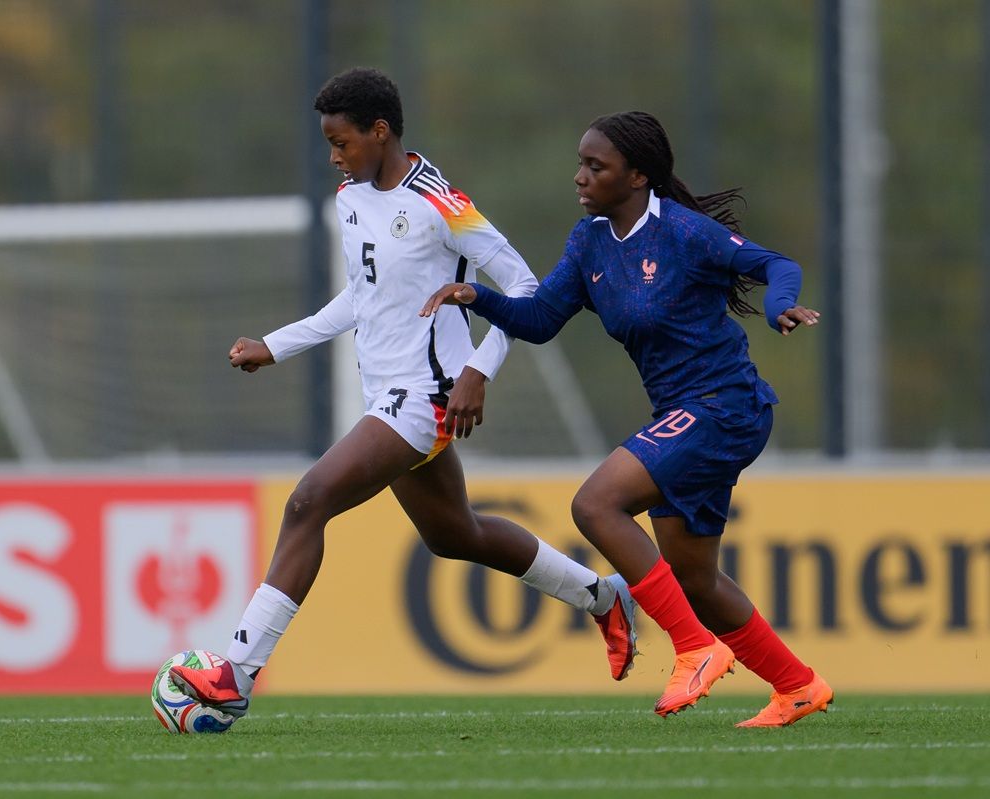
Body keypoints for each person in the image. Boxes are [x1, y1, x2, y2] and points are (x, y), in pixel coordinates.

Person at [170, 68, 637, 720]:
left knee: (308, 501)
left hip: (427, 396)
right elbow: (361, 297)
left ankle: (236, 674)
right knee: (455, 534)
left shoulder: (442, 204)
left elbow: (525, 287)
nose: (334, 157)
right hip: (384, 394)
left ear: (380, 131)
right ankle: (603, 596)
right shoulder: (350, 196)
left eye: (341, 142)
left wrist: (479, 370)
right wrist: (277, 344)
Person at [420, 111, 833, 727]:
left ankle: (694, 648)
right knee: (693, 578)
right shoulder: (589, 241)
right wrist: (479, 297)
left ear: (638, 176)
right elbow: (540, 321)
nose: (580, 176)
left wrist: (779, 308)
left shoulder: (683, 232)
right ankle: (797, 685)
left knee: (595, 505)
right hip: (683, 414)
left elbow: (777, 266)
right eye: (581, 164)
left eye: (597, 166)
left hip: (725, 405)